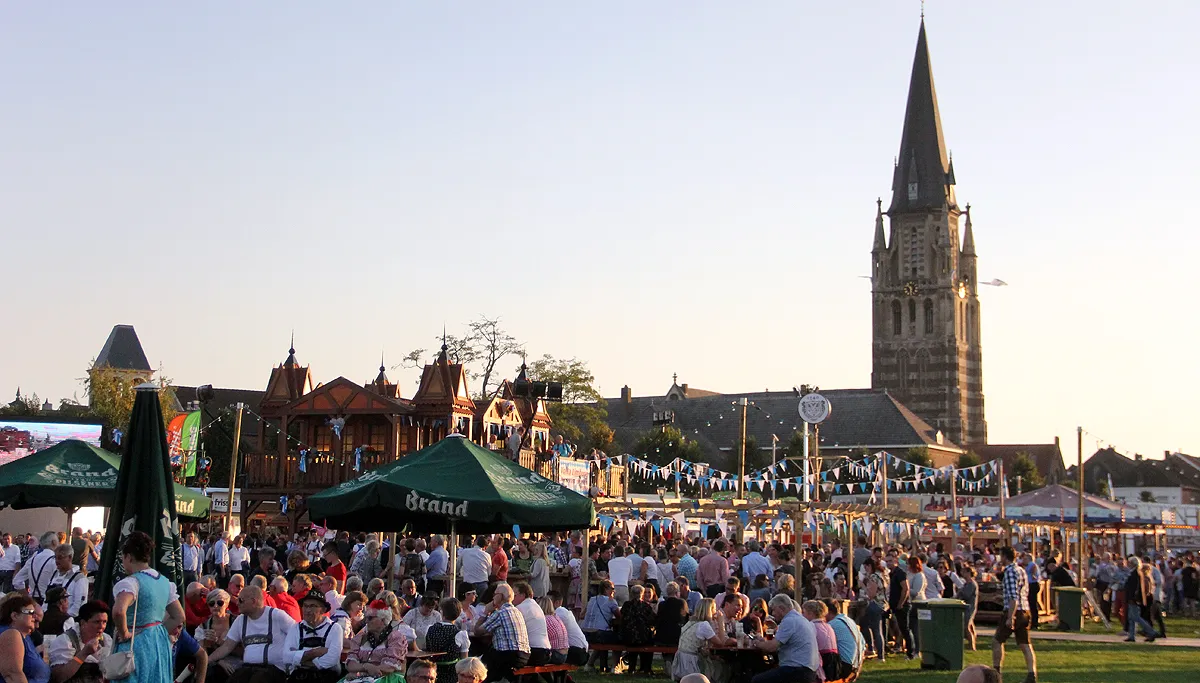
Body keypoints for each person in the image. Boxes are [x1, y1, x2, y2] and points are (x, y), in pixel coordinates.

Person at [110, 531, 187, 683]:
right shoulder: (165, 582)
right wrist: (158, 631)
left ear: (129, 557)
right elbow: (179, 616)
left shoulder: (131, 583)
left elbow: (119, 611)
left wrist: (124, 633)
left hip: (135, 644)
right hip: (158, 642)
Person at [208, 585, 297, 683]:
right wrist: (207, 661)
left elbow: (297, 634)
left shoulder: (276, 615)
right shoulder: (241, 620)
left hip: (274, 669)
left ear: (253, 601)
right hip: (248, 668)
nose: (237, 603)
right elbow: (227, 647)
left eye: (241, 600)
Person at [751, 594, 820, 683]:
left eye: (774, 610)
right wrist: (763, 642)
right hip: (809, 671)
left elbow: (772, 647)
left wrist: (756, 642)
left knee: (757, 680)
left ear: (781, 608)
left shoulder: (789, 621)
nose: (773, 613)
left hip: (796, 671)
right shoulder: (801, 619)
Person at [993, 547, 1036, 683]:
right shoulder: (1021, 570)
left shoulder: (1010, 572)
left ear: (1005, 556)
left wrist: (1010, 617)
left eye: (1001, 556)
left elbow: (1013, 596)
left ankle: (996, 674)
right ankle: (1032, 675)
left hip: (1014, 611)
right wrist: (1002, 598)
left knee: (997, 641)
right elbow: (1022, 593)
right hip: (1025, 610)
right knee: (1025, 644)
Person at [473, 583, 529, 683]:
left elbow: (477, 631)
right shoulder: (517, 611)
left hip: (508, 655)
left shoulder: (500, 613)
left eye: (495, 594)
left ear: (500, 597)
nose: (493, 597)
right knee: (489, 654)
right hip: (524, 655)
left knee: (480, 669)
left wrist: (485, 612)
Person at [282, 590, 342, 683]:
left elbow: (332, 659)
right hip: (300, 678)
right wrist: (314, 653)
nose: (307, 610)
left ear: (323, 609)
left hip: (326, 678)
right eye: (305, 606)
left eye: (313, 606)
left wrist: (300, 659)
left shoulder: (335, 628)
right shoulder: (295, 628)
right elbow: (286, 657)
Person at [343, 600, 408, 683]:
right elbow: (351, 665)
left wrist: (361, 673)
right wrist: (366, 667)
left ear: (383, 619)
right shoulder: (360, 638)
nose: (366, 621)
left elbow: (388, 668)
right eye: (366, 618)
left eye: (370, 618)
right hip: (360, 678)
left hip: (388, 679)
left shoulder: (396, 638)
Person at [49, 600, 112, 683]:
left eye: (104, 622)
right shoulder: (66, 641)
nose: (101, 626)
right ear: (83, 623)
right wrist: (83, 654)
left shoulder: (106, 640)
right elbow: (59, 677)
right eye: (97, 622)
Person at [671, 598, 733, 683]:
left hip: (681, 659)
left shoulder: (690, 622)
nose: (716, 611)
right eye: (714, 608)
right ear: (709, 610)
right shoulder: (704, 625)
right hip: (692, 663)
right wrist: (721, 622)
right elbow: (721, 643)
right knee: (721, 665)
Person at [0, 594, 50, 683]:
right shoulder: (11, 634)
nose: (35, 616)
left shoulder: (24, 637)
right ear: (15, 616)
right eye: (30, 612)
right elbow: (12, 675)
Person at [423, 598, 470, 683]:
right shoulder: (461, 634)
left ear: (442, 612)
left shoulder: (429, 628)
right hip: (452, 676)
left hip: (432, 673)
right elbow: (464, 661)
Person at [821, 599, 863, 681]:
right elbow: (863, 644)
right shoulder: (850, 621)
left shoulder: (832, 625)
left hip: (844, 667)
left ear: (827, 611)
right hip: (856, 665)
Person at [618, 584, 656, 674]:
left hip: (627, 637)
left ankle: (632, 667)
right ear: (642, 594)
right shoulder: (646, 606)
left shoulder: (626, 605)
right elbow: (652, 620)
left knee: (633, 637)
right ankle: (646, 668)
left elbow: (622, 617)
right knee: (649, 640)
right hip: (643, 638)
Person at [13, 531, 59, 605]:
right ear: (54, 542)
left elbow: (16, 581)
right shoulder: (55, 560)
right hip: (49, 603)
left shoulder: (32, 559)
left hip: (33, 602)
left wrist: (27, 596)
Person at [548, 591, 589, 666]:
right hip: (580, 650)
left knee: (549, 655)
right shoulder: (564, 612)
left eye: (548, 602)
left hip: (577, 652)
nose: (546, 604)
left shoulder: (559, 613)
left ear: (557, 603)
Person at [801, 601, 838, 683]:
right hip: (834, 664)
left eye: (804, 613)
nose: (802, 615)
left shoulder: (811, 626)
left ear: (811, 614)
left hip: (822, 663)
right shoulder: (828, 626)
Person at [859, 558, 887, 662]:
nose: (865, 569)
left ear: (869, 566)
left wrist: (863, 586)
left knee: (875, 630)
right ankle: (873, 650)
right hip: (880, 605)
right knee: (869, 626)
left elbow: (871, 594)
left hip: (875, 605)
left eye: (865, 567)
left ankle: (879, 654)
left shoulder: (873, 577)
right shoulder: (879, 575)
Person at [654, 581, 688, 670]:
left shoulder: (662, 604)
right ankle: (673, 662)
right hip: (677, 636)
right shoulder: (682, 603)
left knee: (666, 642)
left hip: (662, 637)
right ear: (677, 592)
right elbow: (685, 618)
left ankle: (667, 659)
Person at [1123, 557, 1158, 642]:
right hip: (1132, 598)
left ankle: (1151, 632)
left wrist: (1133, 597)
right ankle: (1131, 636)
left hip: (1133, 598)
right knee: (1131, 618)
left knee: (1136, 617)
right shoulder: (1135, 573)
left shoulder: (1135, 574)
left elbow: (1135, 588)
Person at [958, 565, 979, 651]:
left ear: (969, 573)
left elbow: (966, 595)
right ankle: (973, 642)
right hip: (966, 607)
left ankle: (972, 646)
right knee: (970, 626)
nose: (962, 573)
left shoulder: (971, 584)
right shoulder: (966, 583)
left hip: (969, 608)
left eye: (964, 572)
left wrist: (960, 593)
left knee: (966, 626)